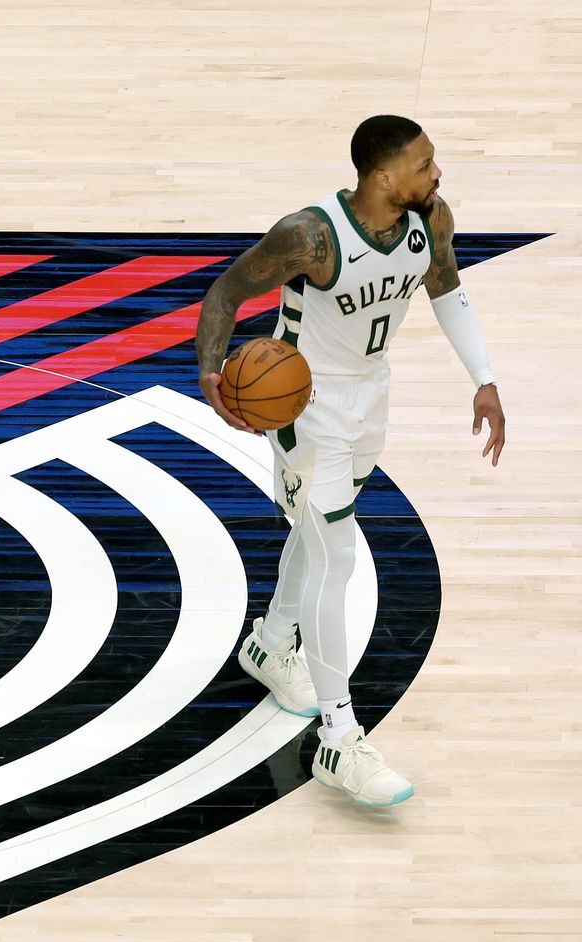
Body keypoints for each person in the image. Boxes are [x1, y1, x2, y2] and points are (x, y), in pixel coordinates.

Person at [193, 114, 505, 807]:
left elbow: (447, 288)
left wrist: (483, 378)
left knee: (317, 532)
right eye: (425, 164)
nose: (437, 173)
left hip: (371, 396)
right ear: (383, 176)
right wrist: (214, 376)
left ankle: (272, 645)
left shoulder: (430, 220)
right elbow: (225, 293)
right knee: (335, 553)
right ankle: (339, 738)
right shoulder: (311, 235)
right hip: (307, 405)